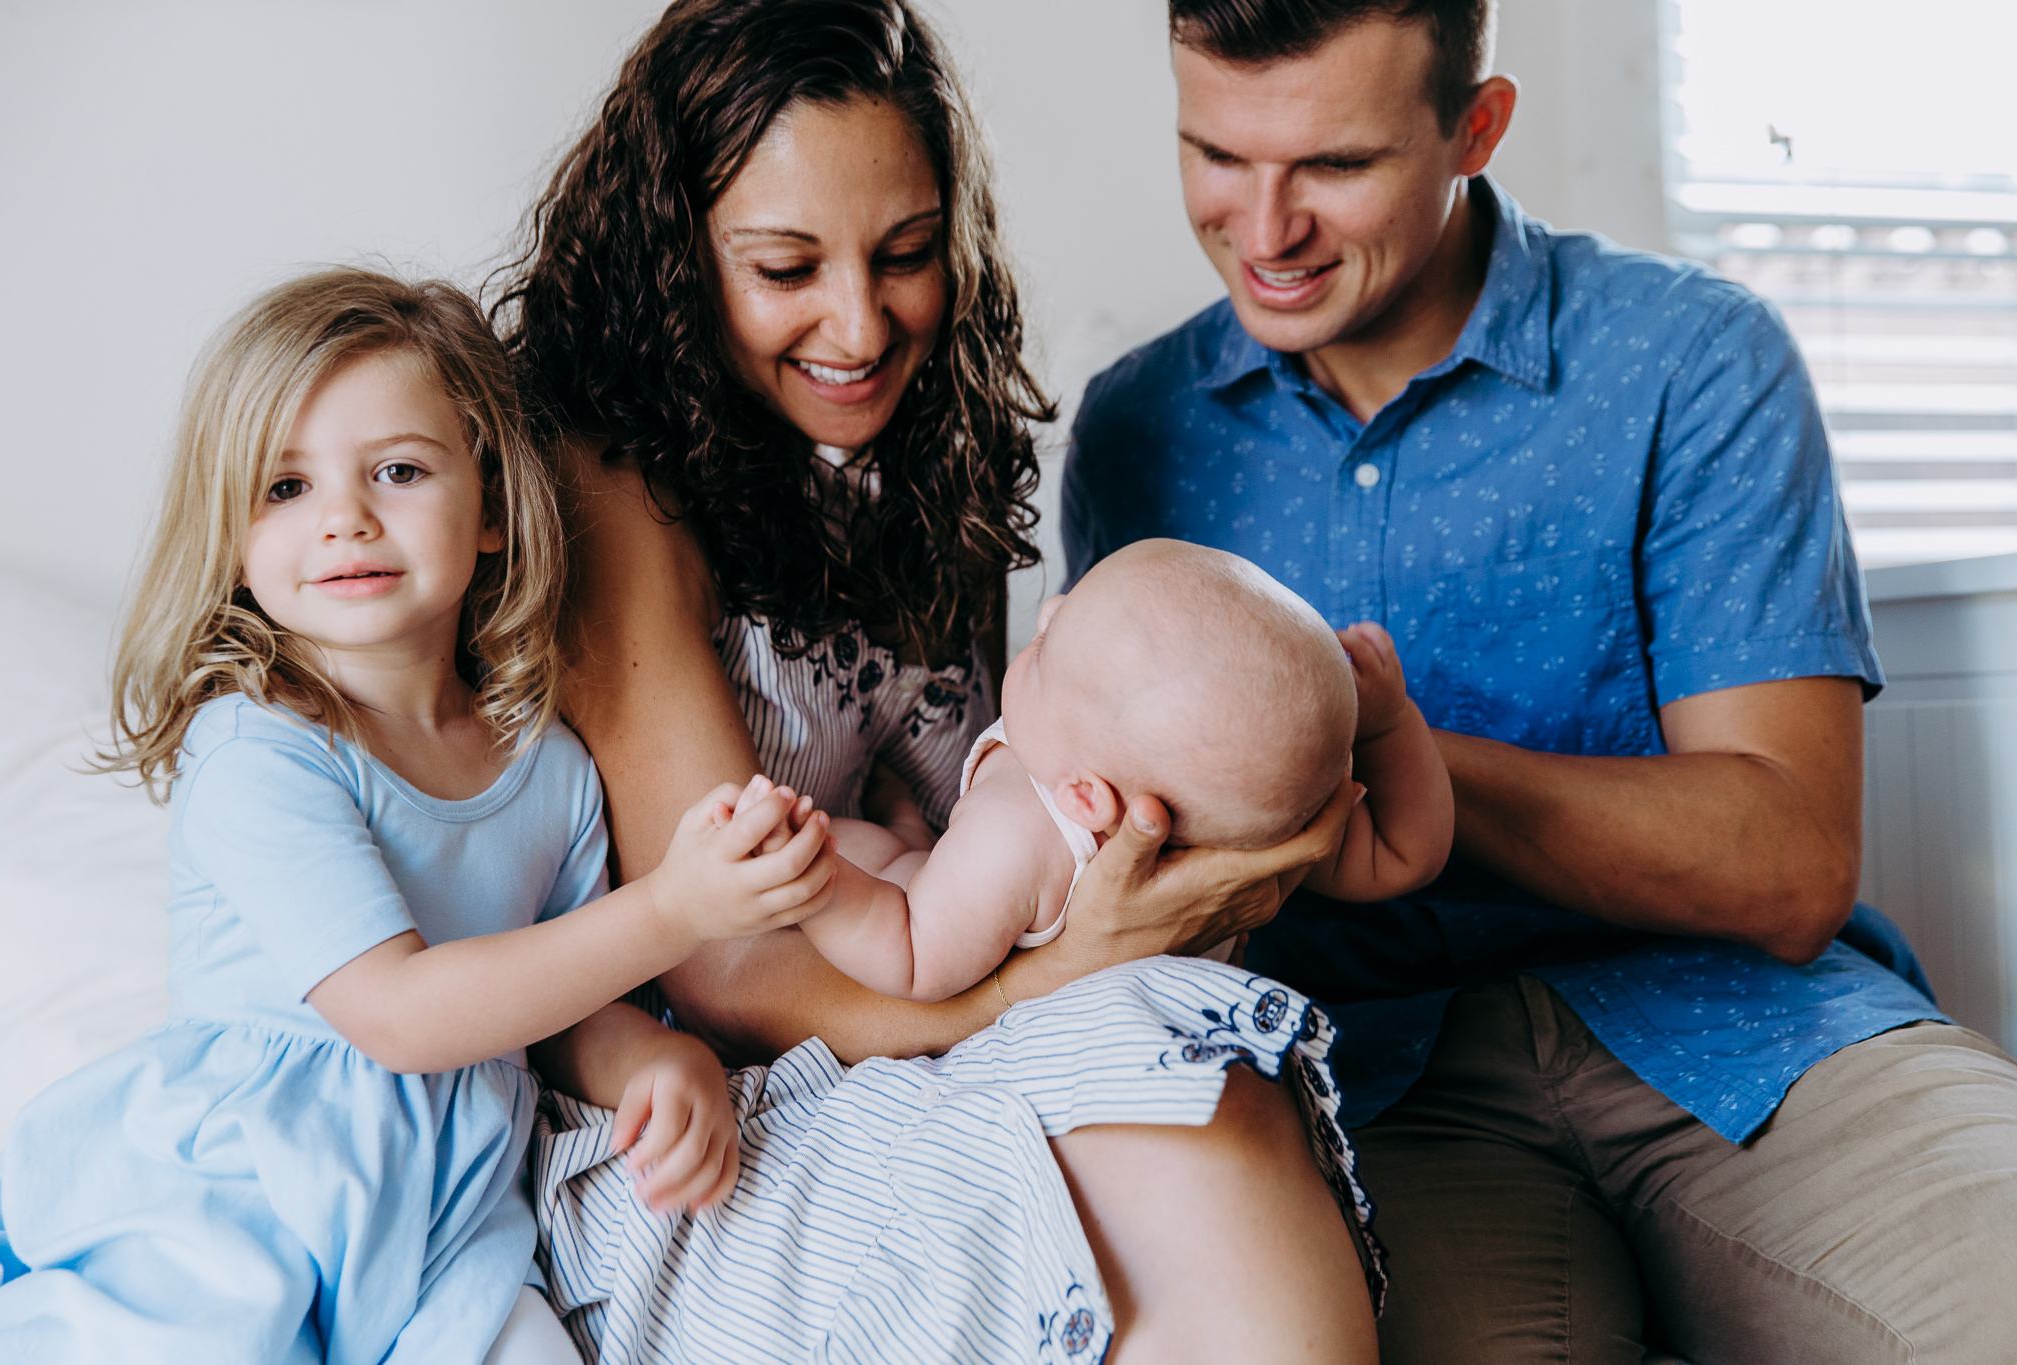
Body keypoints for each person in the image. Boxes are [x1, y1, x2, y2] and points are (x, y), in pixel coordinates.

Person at [1063, 0, 2017, 1360]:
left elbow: (1792, 861)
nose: (1265, 232)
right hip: (1375, 1093)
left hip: (1755, 1037)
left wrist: (1388, 765)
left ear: (1477, 128)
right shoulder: (1134, 432)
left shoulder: (1693, 361)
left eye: (1335, 167)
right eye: (1216, 154)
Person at [493, 1, 1380, 1360]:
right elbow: (732, 958)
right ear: (675, 264)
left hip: (900, 1012)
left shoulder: (913, 459)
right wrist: (1064, 976)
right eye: (786, 267)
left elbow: (985, 799)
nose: (861, 324)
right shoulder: (615, 496)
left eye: (905, 255)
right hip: (696, 1087)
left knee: (1207, 1082)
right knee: (1174, 1096)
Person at [0, 269, 838, 1365]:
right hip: (246, 1195)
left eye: (398, 469)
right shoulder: (257, 748)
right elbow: (398, 1015)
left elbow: (560, 1009)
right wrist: (674, 909)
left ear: (487, 510)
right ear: (233, 537)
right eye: (284, 489)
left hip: (447, 1221)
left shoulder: (551, 767)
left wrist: (663, 1069)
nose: (345, 518)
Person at [798, 538, 1453, 1002]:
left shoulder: (1017, 836)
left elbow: (913, 956)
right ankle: (911, 830)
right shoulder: (1256, 835)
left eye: (1046, 646)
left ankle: (890, 844)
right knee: (920, 851)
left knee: (868, 854)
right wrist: (1390, 722)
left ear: (1085, 796)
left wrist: (820, 886)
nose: (1046, 609)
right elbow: (1406, 852)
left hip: (1004, 1001)